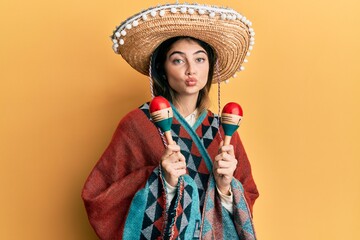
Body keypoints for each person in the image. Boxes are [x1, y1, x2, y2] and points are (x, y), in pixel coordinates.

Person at [82, 3, 259, 240]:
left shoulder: (224, 130)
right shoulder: (137, 124)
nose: (190, 70)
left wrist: (226, 189)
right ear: (162, 69)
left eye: (200, 59)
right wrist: (163, 180)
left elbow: (247, 196)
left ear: (210, 67)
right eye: (178, 60)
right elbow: (99, 199)